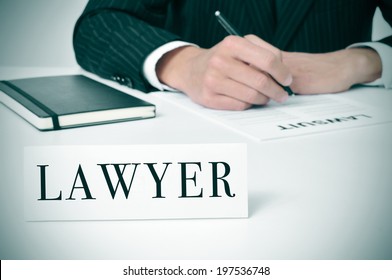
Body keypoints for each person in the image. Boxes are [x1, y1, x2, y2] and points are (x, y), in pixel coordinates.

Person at [73, 0, 392, 110]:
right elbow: (100, 22)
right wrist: (184, 64)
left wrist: (362, 62)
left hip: (343, 144)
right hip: (205, 145)